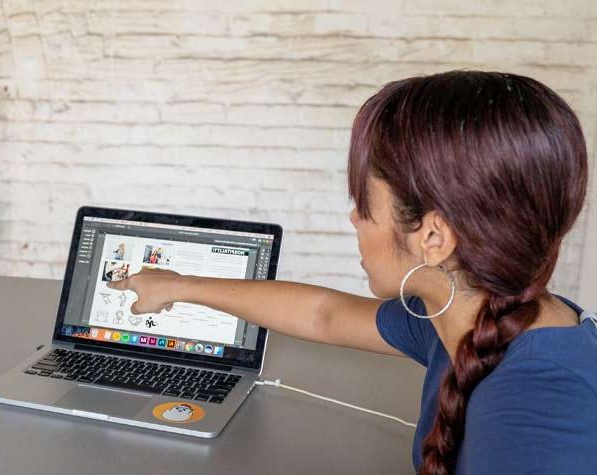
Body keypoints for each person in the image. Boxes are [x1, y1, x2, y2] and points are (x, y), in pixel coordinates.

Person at [110, 71, 597, 474]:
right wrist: (176, 286)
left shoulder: (539, 409)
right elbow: (323, 313)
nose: (354, 219)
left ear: (433, 238)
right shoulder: (474, 311)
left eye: (365, 204)